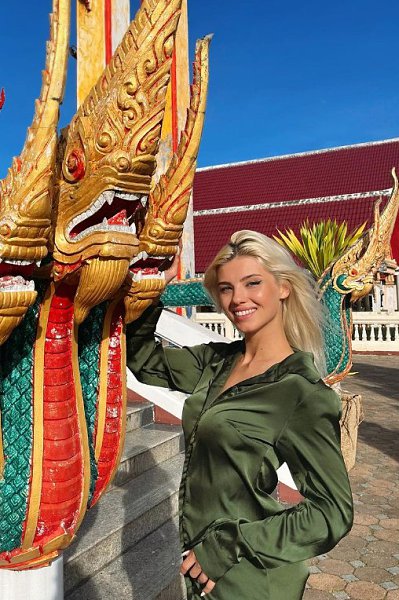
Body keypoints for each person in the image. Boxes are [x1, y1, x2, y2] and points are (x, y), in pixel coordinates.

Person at [126, 230, 353, 600]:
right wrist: (156, 284)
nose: (237, 299)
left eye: (253, 283)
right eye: (226, 288)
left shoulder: (300, 392)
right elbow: (143, 360)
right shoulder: (218, 362)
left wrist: (228, 544)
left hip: (249, 574)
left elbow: (333, 513)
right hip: (204, 569)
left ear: (284, 287)